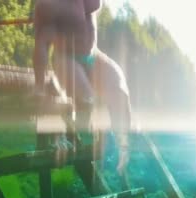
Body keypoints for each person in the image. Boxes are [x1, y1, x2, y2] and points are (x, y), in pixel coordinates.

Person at [33, 0, 131, 174]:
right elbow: (41, 44)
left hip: (92, 55)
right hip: (66, 59)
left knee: (121, 91)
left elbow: (91, 15)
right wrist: (39, 87)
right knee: (88, 99)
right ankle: (95, 142)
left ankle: (124, 146)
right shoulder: (48, 5)